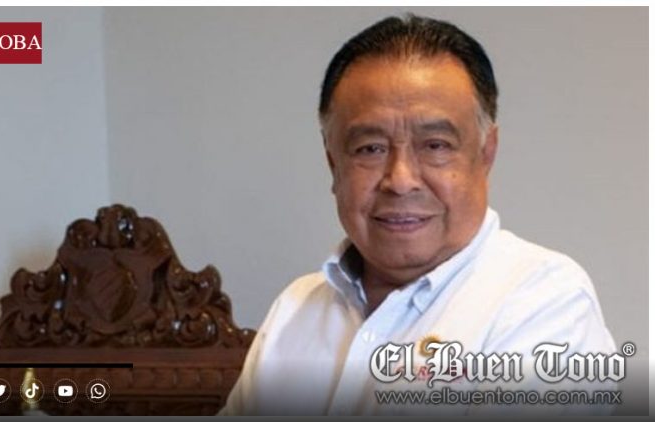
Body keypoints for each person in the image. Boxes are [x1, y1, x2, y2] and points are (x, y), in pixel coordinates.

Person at [220, 14, 617, 416]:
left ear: (486, 153)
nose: (401, 180)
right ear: (333, 163)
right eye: (370, 149)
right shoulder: (296, 307)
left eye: (435, 145)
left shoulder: (545, 300)